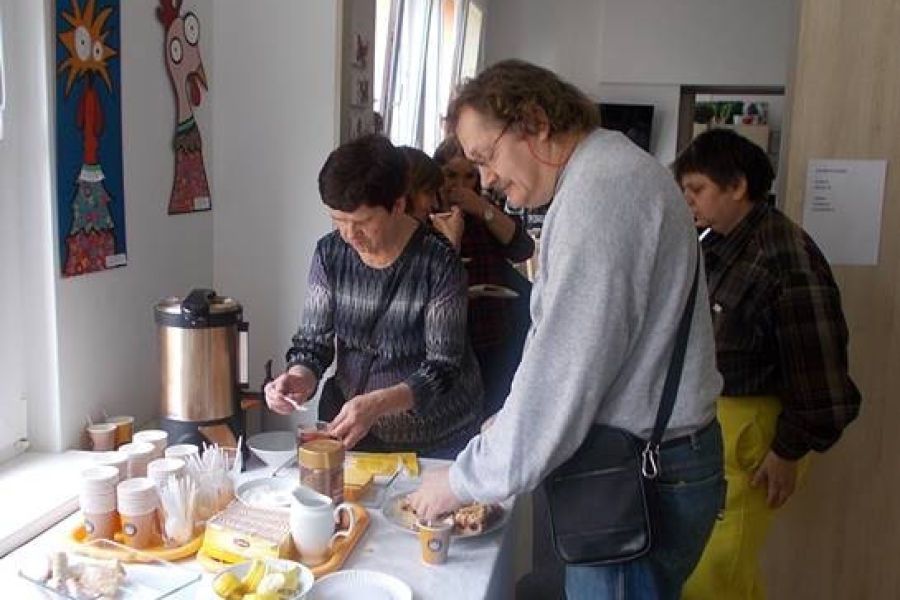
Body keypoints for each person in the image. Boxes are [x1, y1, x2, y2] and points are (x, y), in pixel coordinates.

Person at [407, 59, 725, 599]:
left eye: (485, 157)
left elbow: (564, 370)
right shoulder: (608, 172)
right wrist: (508, 422)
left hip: (641, 472)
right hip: (653, 458)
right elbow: (562, 340)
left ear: (534, 121)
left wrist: (461, 483)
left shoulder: (600, 195)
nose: (485, 180)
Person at [673, 128, 861, 600]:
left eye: (697, 190)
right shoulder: (720, 243)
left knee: (713, 573)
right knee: (721, 573)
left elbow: (827, 385)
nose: (688, 202)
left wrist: (787, 452)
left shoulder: (783, 258)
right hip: (718, 423)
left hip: (756, 436)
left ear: (737, 186)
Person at [264, 134, 483, 459]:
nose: (349, 235)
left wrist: (378, 403)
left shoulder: (437, 261)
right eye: (338, 220)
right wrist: (298, 377)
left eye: (362, 222)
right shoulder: (330, 253)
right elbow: (313, 343)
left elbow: (442, 367)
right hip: (354, 431)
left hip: (435, 439)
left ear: (397, 205)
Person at [431, 136, 535, 418]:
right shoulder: (426, 216)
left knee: (495, 411)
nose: (460, 185)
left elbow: (522, 248)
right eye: (451, 175)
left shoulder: (485, 211)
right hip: (446, 336)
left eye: (469, 176)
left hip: (492, 327)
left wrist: (482, 209)